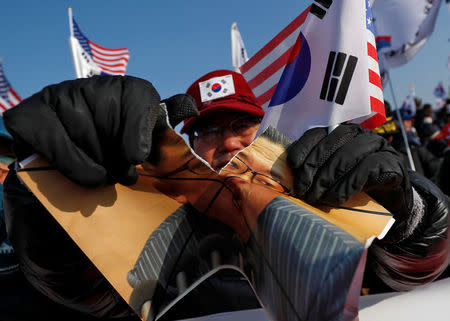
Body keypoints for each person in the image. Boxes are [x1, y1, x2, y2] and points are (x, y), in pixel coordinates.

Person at [1, 71, 449, 320]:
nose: (229, 143)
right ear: (189, 144)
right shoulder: (157, 226)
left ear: (265, 132)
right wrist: (48, 198)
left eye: (241, 126)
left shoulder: (325, 197)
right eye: (209, 130)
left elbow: (416, 273)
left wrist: (408, 207)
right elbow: (78, 292)